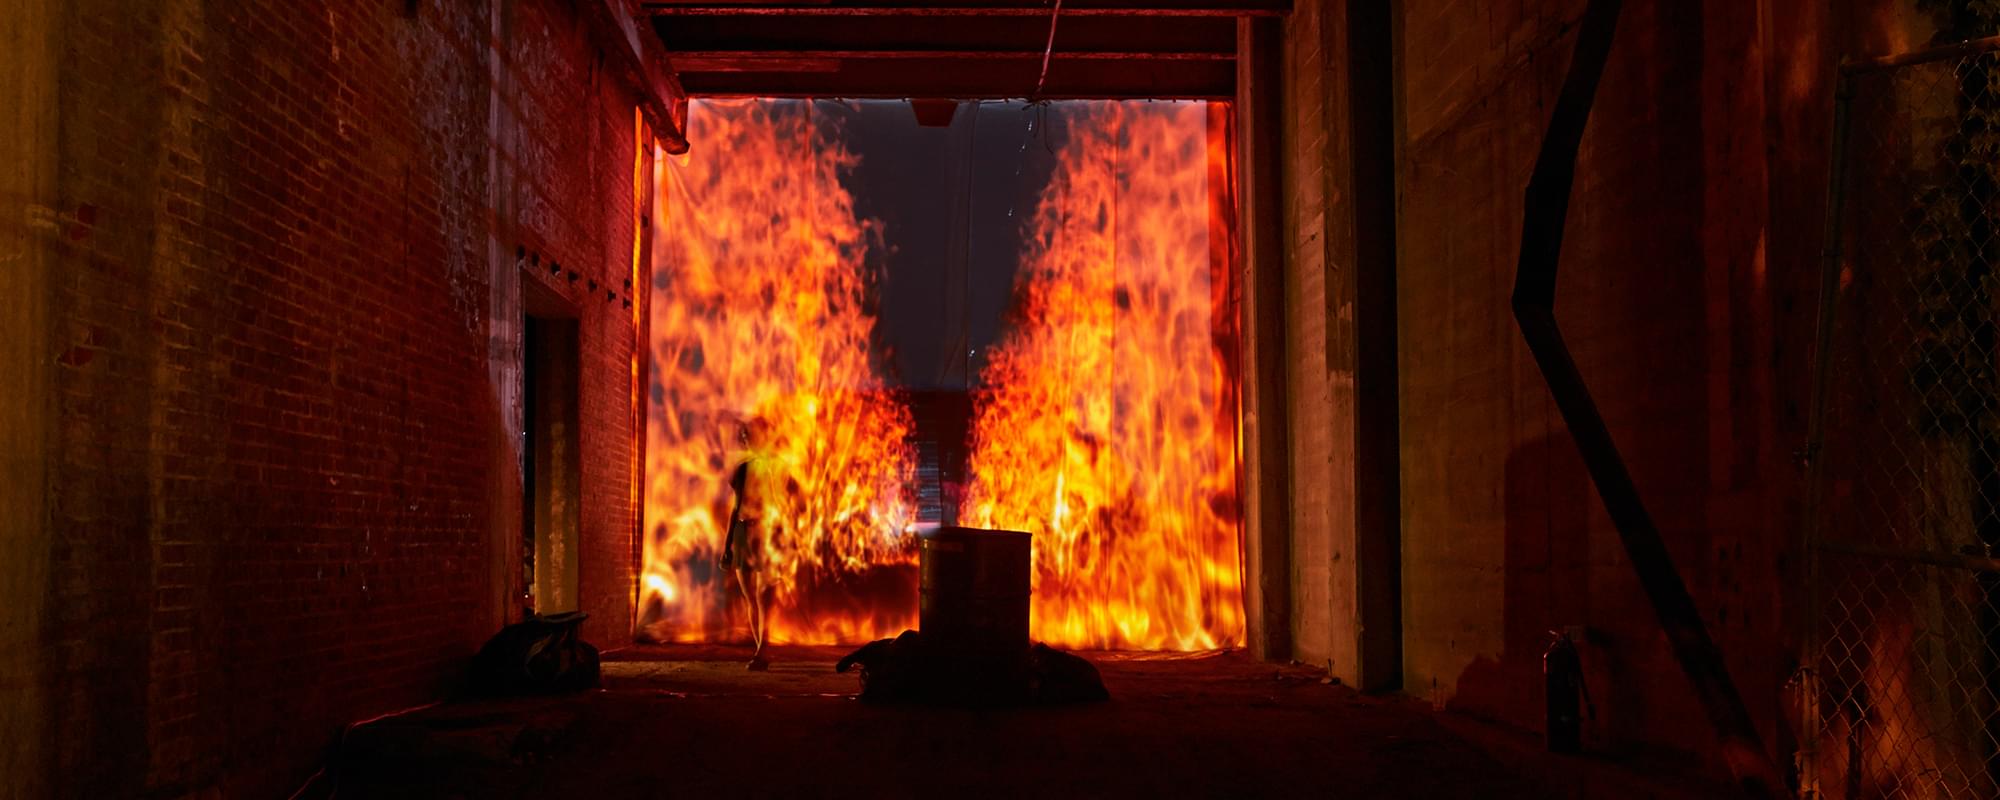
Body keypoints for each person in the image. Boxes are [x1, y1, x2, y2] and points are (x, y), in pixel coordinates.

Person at [721, 416, 776, 671]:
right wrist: (728, 544)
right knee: (750, 597)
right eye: (744, 436)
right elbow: (736, 507)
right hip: (743, 530)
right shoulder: (742, 469)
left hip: (764, 530)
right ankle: (759, 651)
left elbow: (782, 504)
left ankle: (762, 651)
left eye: (751, 435)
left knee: (764, 594)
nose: (747, 439)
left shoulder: (774, 467)